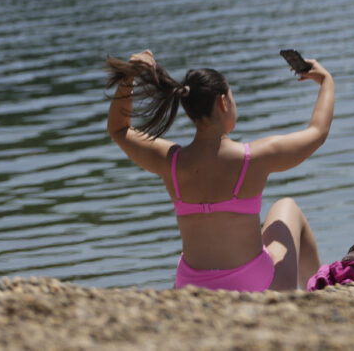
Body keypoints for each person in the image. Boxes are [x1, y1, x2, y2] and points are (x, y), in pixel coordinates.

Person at [105, 50, 335, 291]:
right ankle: (318, 296)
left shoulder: (170, 162)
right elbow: (317, 133)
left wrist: (128, 78)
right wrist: (326, 81)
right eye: (232, 98)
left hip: (189, 287)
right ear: (223, 102)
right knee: (287, 208)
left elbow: (119, 129)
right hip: (255, 286)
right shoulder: (254, 158)